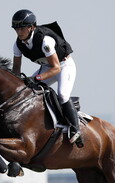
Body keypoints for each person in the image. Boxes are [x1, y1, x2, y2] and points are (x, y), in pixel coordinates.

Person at [11, 9, 83, 148]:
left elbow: (56, 68)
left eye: (21, 28)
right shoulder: (18, 44)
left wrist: (37, 78)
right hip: (46, 66)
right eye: (16, 28)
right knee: (26, 91)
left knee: (62, 95)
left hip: (63, 65)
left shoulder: (45, 41)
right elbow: (16, 70)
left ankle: (75, 128)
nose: (19, 32)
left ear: (31, 27)